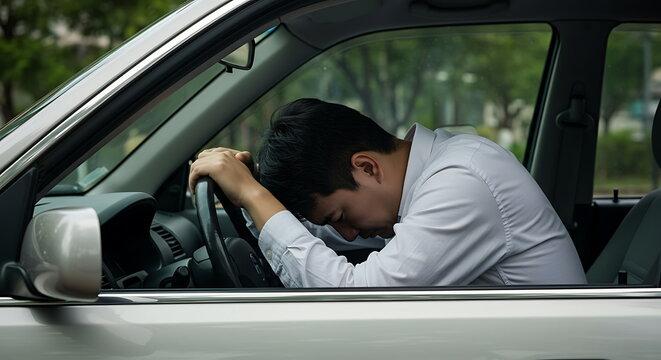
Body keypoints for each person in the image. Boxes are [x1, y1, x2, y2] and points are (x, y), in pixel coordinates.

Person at [189, 98, 587, 287]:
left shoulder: (461, 183)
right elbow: (313, 237)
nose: (344, 234)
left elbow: (359, 301)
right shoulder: (443, 168)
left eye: (340, 216)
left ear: (366, 166)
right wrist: (254, 197)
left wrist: (256, 198)